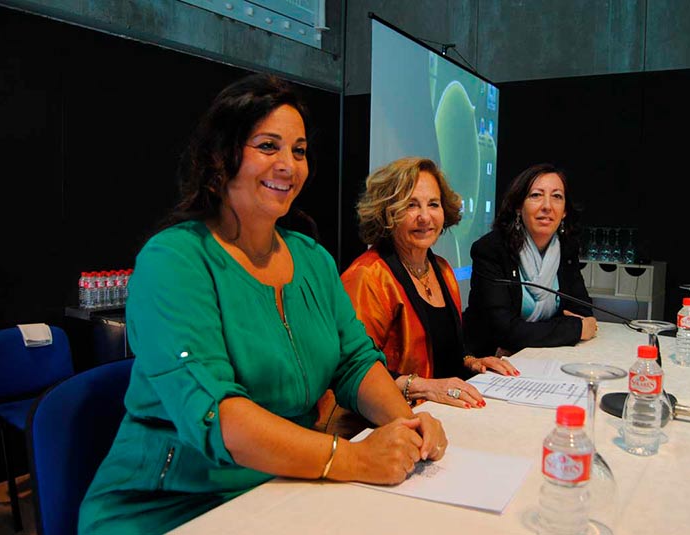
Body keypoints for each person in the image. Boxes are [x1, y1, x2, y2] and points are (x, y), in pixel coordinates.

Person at [79, 75, 446, 534]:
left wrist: (407, 425)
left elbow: (354, 362)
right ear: (220, 157)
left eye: (299, 150)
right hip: (172, 505)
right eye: (268, 146)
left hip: (282, 487)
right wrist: (353, 458)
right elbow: (217, 414)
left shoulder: (312, 259)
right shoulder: (172, 261)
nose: (289, 165)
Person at [340, 157, 517, 411]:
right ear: (387, 213)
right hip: (387, 420)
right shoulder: (368, 276)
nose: (425, 217)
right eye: (411, 205)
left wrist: (472, 362)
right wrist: (425, 387)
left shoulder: (443, 269)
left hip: (440, 411)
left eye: (433, 204)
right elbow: (355, 373)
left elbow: (444, 354)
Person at [464, 163, 597, 355]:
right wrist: (574, 329)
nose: (547, 206)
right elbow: (503, 330)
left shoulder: (567, 249)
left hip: (545, 356)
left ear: (565, 211)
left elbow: (582, 311)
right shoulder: (491, 249)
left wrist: (525, 335)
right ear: (519, 206)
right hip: (490, 360)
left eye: (557, 197)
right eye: (536, 195)